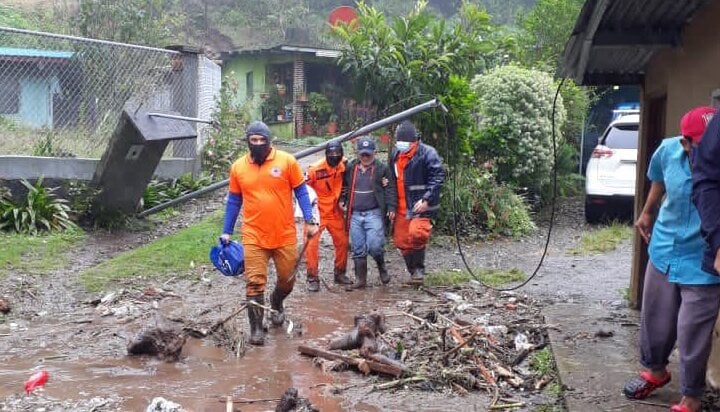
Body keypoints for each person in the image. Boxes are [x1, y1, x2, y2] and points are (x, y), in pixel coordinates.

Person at [624, 106, 719, 412]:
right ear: (685, 142)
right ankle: (656, 371)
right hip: (665, 248)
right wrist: (648, 211)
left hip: (703, 261)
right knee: (655, 319)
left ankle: (691, 396)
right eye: (699, 145)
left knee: (692, 331)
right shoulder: (668, 150)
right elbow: (659, 180)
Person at [220, 121, 319, 346]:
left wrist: (310, 219)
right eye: (253, 140)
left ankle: (277, 301)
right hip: (253, 235)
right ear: (247, 141)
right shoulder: (238, 167)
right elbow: (234, 200)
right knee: (254, 283)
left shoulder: (287, 161)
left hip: (284, 234)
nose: (257, 144)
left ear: (269, 141)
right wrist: (226, 231)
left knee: (287, 280)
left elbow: (301, 191)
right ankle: (256, 329)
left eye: (261, 140)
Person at [390, 120, 445, 282]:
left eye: (404, 142)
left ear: (414, 141)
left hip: (420, 205)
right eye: (398, 142)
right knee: (401, 240)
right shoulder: (396, 154)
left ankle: (419, 270)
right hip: (401, 206)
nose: (401, 145)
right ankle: (412, 270)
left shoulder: (428, 153)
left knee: (417, 233)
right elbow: (392, 177)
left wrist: (427, 199)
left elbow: (438, 178)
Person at [341, 136, 397, 290]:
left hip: (374, 213)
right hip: (355, 214)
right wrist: (342, 199)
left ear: (374, 152)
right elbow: (344, 186)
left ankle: (382, 267)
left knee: (375, 246)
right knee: (358, 248)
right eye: (362, 154)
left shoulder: (382, 168)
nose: (365, 157)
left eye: (368, 154)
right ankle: (361, 280)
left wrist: (391, 208)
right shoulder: (351, 167)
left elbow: (390, 189)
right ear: (358, 153)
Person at [303, 141, 352, 291]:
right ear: (326, 154)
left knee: (343, 241)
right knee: (311, 244)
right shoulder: (314, 170)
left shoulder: (345, 165)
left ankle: (340, 273)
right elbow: (302, 189)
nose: (335, 156)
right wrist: (307, 213)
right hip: (317, 212)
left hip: (335, 210)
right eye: (331, 154)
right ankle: (312, 277)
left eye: (338, 153)